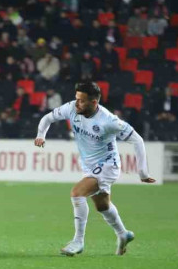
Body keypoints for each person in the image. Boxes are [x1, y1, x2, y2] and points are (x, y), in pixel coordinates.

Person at [34, 82, 155, 257]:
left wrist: (143, 173)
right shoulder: (71, 108)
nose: (77, 104)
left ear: (94, 102)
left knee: (77, 193)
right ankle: (123, 234)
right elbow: (48, 118)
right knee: (102, 205)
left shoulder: (109, 121)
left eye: (81, 101)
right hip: (89, 166)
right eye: (76, 99)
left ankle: (78, 241)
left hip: (108, 165)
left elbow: (138, 140)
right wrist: (40, 135)